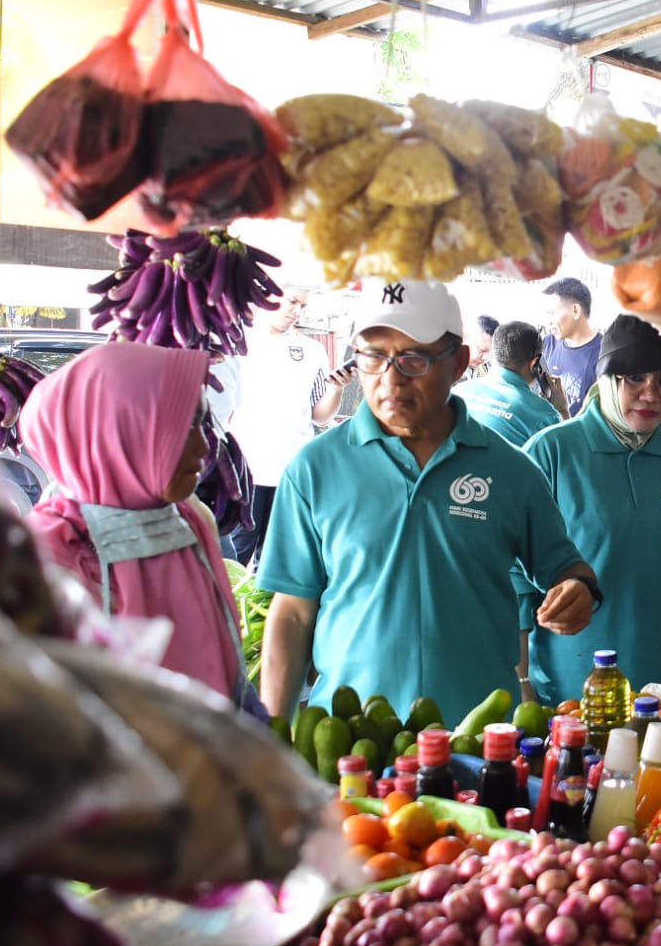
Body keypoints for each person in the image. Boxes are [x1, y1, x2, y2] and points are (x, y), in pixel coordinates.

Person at [255, 281, 600, 726]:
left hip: (476, 742)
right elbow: (294, 613)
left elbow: (568, 568)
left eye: (414, 358)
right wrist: (272, 737)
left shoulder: (511, 471)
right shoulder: (314, 469)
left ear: (457, 364)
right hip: (348, 741)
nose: (391, 378)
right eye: (373, 355)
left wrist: (578, 592)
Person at [20, 341, 255, 709]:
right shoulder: (47, 555)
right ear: (121, 432)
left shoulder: (188, 521)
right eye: (183, 426)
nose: (203, 447)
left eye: (202, 423)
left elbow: (227, 675)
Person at [521, 315, 661, 703]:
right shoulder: (552, 452)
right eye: (635, 378)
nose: (651, 394)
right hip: (567, 695)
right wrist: (523, 687)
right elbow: (514, 580)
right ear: (606, 376)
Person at [227, 286, 352, 565]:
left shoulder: (312, 350)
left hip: (292, 470)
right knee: (236, 552)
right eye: (292, 301)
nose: (296, 310)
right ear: (268, 295)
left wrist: (337, 390)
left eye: (302, 305)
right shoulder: (236, 342)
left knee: (278, 557)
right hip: (245, 468)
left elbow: (319, 415)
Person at [452, 320, 563, 447]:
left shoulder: (457, 393)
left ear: (494, 354)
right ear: (535, 364)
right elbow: (568, 459)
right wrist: (562, 409)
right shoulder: (545, 416)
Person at [541, 277, 603, 416]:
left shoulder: (605, 354)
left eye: (551, 313)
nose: (548, 321)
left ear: (575, 310)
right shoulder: (548, 344)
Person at [463, 314, 498, 380]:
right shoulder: (445, 369)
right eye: (482, 350)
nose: (485, 358)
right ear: (465, 338)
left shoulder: (486, 370)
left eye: (491, 354)